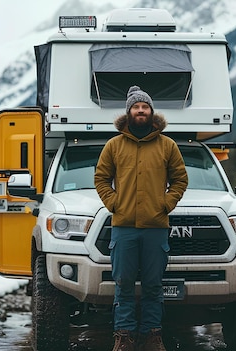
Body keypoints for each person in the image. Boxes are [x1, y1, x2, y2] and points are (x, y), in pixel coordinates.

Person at [95, 86, 188, 351]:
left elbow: (180, 179)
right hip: (123, 228)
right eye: (136, 107)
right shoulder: (114, 146)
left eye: (144, 107)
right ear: (129, 112)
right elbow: (101, 179)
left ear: (151, 112)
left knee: (153, 285)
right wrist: (114, 203)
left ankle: (152, 337)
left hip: (155, 228)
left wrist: (166, 204)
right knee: (123, 285)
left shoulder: (167, 145)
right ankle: (123, 337)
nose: (140, 111)